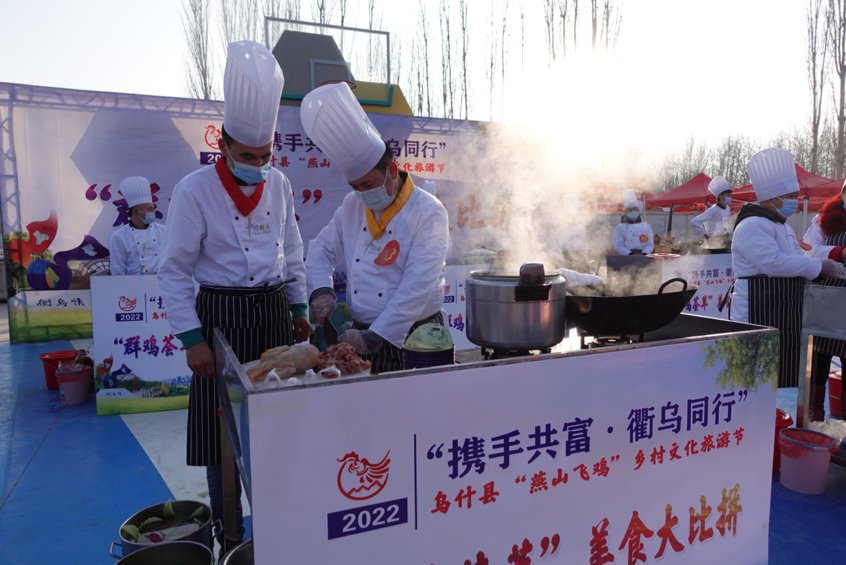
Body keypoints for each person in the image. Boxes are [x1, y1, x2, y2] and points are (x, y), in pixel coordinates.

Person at [157, 40, 311, 552]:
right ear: (223, 144)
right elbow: (174, 270)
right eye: (248, 156)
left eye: (266, 156)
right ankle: (230, 536)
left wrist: (300, 307)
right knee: (222, 440)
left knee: (275, 432)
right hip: (219, 319)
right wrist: (192, 339)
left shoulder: (281, 185)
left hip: (270, 314)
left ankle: (281, 529)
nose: (258, 165)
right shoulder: (194, 191)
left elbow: (292, 247)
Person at [300, 82, 449, 373]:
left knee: (415, 413)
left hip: (415, 336)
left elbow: (417, 286)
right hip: (359, 336)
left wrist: (375, 336)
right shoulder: (352, 206)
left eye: (367, 185)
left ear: (392, 171)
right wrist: (321, 291)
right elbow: (321, 249)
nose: (362, 194)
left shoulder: (428, 211)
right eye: (355, 186)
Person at [730, 147, 844, 388]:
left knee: (781, 376)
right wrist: (820, 265)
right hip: (758, 308)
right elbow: (773, 263)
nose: (794, 201)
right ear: (773, 198)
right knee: (756, 375)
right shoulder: (752, 226)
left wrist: (823, 262)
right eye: (791, 195)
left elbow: (799, 255)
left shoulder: (782, 226)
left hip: (783, 309)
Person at [802, 180, 846, 419]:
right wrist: (839, 253)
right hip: (826, 298)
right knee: (819, 358)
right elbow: (807, 249)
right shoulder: (824, 219)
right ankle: (814, 417)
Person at [109, 176, 165, 275]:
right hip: (133, 285)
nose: (153, 212)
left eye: (153, 208)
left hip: (161, 283)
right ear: (135, 212)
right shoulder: (119, 237)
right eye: (149, 209)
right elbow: (118, 271)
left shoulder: (163, 231)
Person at [690, 175, 733, 245]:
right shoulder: (713, 210)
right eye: (728, 195)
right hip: (714, 241)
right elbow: (694, 221)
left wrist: (728, 233)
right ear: (720, 196)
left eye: (730, 195)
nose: (730, 197)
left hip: (725, 240)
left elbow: (727, 224)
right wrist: (705, 236)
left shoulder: (728, 208)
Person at [612, 189, 654, 255]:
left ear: (638, 210)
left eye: (634, 209)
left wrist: (644, 253)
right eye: (629, 210)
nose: (632, 212)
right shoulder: (619, 227)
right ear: (625, 212)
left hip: (643, 257)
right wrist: (630, 254)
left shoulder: (646, 227)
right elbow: (618, 245)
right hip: (625, 257)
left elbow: (649, 244)